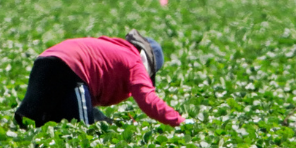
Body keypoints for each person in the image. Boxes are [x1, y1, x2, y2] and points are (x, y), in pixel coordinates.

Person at [13, 30, 188, 128]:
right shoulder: (133, 60)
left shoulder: (113, 48)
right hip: (70, 69)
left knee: (30, 123)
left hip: (43, 63)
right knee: (82, 133)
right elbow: (147, 99)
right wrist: (179, 121)